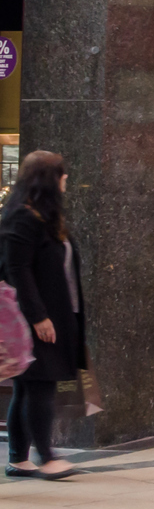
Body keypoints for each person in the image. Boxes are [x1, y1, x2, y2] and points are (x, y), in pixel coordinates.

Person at [2, 151, 84, 480]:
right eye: (62, 175)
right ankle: (46, 456)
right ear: (49, 180)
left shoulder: (42, 217)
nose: (66, 180)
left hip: (52, 314)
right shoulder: (23, 218)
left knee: (27, 387)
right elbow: (18, 271)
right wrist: (38, 316)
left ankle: (18, 458)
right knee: (39, 387)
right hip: (33, 319)